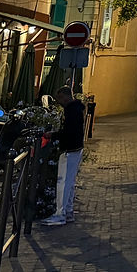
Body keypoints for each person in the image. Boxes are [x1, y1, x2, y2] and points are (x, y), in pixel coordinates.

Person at [39, 86, 85, 227]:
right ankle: (68, 211)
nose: (59, 102)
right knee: (69, 182)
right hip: (76, 148)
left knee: (63, 182)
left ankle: (60, 213)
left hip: (70, 149)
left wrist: (53, 135)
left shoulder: (71, 110)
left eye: (60, 98)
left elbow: (68, 131)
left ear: (65, 96)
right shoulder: (77, 108)